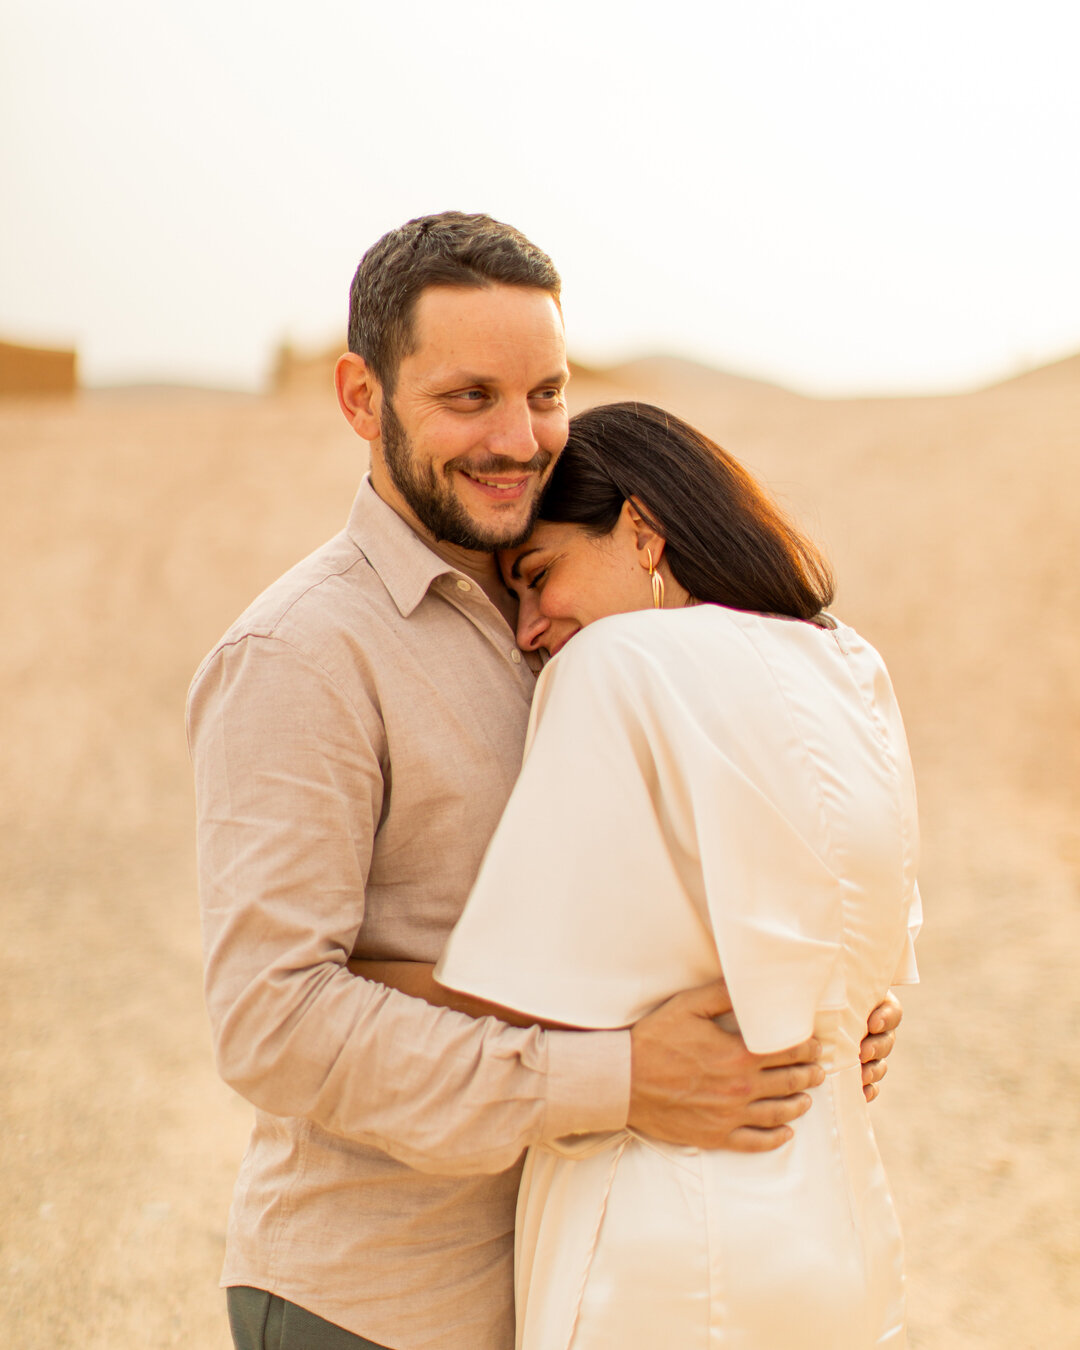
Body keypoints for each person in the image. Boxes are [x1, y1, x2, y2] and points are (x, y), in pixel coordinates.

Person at [188, 213, 901, 1350]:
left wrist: (826, 1005)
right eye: (469, 397)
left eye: (546, 394)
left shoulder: (594, 628)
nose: (521, 439)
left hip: (576, 1280)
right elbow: (271, 1023)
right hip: (373, 1302)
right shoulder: (302, 655)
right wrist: (616, 1079)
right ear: (360, 399)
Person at [361, 401, 922, 1348]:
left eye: (538, 578)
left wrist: (345, 974)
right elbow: (871, 973)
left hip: (671, 1237)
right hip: (838, 1227)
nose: (532, 629)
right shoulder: (847, 661)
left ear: (641, 527)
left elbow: (528, 999)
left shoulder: (616, 665)